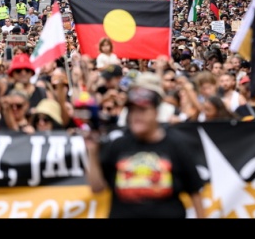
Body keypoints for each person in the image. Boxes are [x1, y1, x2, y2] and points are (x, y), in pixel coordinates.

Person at [84, 76, 206, 218]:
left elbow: (195, 193)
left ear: (156, 112)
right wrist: (92, 152)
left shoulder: (176, 145)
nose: (136, 116)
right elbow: (97, 188)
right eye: (133, 111)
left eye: (142, 110)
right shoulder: (118, 145)